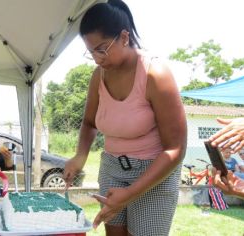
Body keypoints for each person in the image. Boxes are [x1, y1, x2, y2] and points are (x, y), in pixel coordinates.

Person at [63, 1, 187, 235]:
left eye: (102, 49)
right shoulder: (98, 75)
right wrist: (80, 156)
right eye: (91, 52)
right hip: (112, 167)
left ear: (123, 37)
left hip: (153, 173)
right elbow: (89, 123)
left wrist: (130, 193)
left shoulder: (155, 74)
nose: (97, 58)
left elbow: (175, 149)